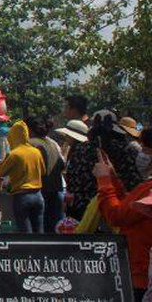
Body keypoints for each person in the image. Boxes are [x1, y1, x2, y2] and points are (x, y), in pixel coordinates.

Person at [95, 148, 152, 299]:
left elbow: (116, 216)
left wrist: (104, 181)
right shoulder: (146, 189)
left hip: (140, 275)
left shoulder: (149, 190)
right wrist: (112, 179)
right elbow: (129, 207)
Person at [0, 120, 45, 233]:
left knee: (25, 235)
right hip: (38, 196)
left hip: (22, 197)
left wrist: (1, 165)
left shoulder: (14, 154)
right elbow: (42, 171)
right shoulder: (36, 152)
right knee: (40, 233)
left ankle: (28, 251)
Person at [27, 116, 66, 232]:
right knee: (53, 230)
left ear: (28, 130)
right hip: (56, 190)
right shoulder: (53, 143)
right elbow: (62, 164)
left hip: (40, 191)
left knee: (38, 230)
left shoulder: (30, 144)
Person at [56, 118, 93, 219]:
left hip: (79, 199)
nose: (66, 138)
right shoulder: (79, 149)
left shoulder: (79, 151)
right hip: (80, 198)